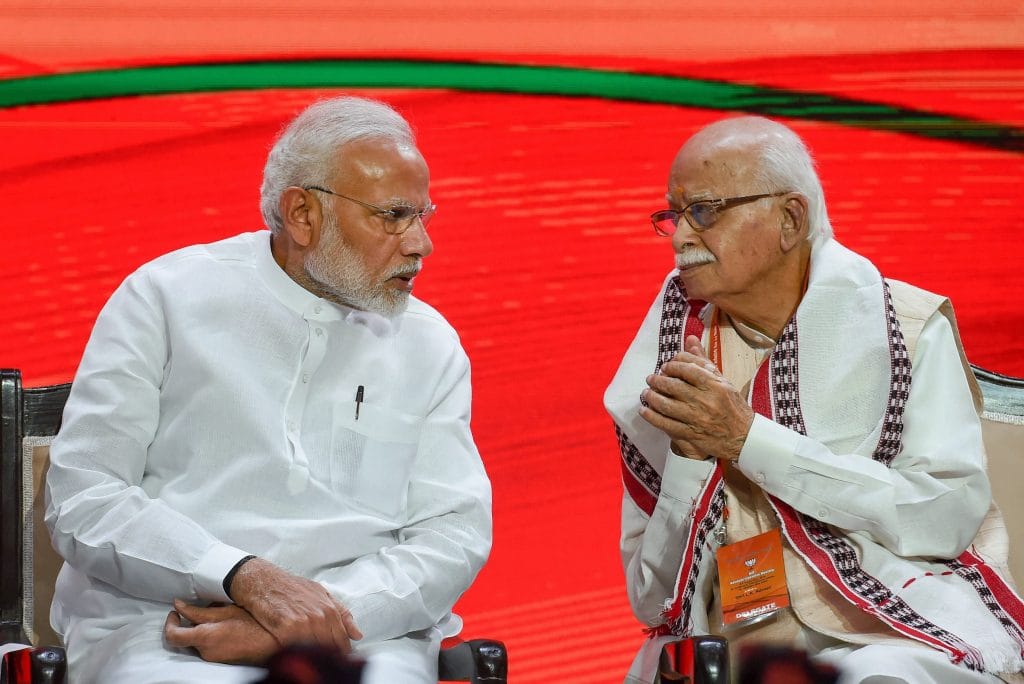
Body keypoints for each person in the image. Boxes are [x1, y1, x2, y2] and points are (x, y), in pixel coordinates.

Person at [44, 96, 492, 684]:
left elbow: (453, 533)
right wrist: (241, 577)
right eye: (393, 216)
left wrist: (316, 618)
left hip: (364, 633)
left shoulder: (429, 344)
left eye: (423, 216)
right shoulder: (165, 297)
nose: (420, 244)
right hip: (169, 625)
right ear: (302, 214)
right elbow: (84, 497)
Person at [605, 116, 1024, 684]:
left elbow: (942, 518)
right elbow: (651, 600)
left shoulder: (905, 329)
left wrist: (748, 440)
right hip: (729, 646)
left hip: (893, 630)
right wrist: (690, 463)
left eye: (703, 211)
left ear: (790, 219)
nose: (680, 237)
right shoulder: (668, 358)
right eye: (673, 216)